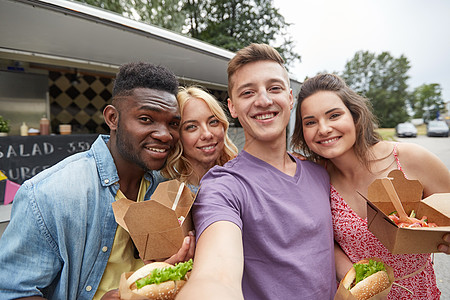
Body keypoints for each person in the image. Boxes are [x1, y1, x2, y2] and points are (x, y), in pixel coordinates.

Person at [0, 62, 195, 300]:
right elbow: (12, 292)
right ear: (112, 118)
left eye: (173, 124)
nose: (165, 134)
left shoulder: (166, 187)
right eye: (146, 119)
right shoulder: (49, 194)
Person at [177, 43, 336, 300]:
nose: (263, 101)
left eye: (274, 88)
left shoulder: (321, 173)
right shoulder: (223, 185)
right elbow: (214, 277)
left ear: (290, 98)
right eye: (248, 92)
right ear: (232, 107)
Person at [290, 73, 450, 299]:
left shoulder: (410, 159)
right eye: (310, 122)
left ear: (355, 116)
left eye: (334, 115)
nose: (323, 129)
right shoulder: (315, 177)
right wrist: (358, 279)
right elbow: (324, 240)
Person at [160, 86, 238, 193]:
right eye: (192, 126)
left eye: (213, 122)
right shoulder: (160, 188)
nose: (207, 134)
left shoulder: (242, 178)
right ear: (178, 136)